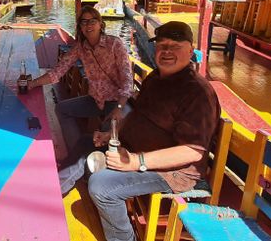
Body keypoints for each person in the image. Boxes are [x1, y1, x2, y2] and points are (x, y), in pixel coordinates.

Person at [86, 21, 221, 241]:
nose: (167, 51)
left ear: (191, 49)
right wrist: (112, 135)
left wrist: (136, 162)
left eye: (175, 46)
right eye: (161, 45)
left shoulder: (197, 92)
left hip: (174, 174)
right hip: (136, 152)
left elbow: (192, 151)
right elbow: (136, 114)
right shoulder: (156, 78)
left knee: (101, 187)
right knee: (86, 147)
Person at [25, 6, 134, 157]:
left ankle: (98, 164)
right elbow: (57, 72)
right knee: (62, 109)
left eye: (92, 21)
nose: (88, 25)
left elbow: (128, 80)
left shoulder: (115, 44)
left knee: (111, 135)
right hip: (95, 100)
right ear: (80, 27)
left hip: (117, 101)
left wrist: (119, 107)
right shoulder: (80, 48)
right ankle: (77, 151)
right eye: (84, 22)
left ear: (100, 23)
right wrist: (32, 84)